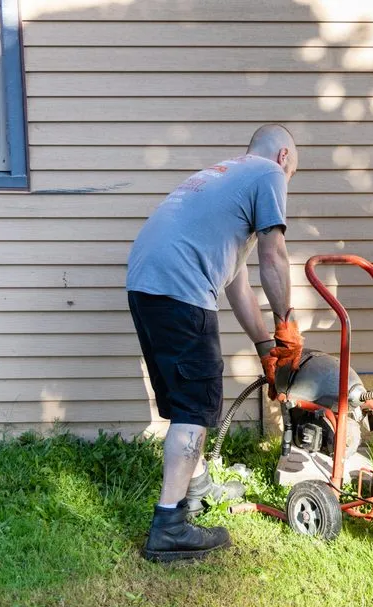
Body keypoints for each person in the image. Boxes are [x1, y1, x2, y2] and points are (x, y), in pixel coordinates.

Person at [125, 124, 305, 562]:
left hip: (146, 286)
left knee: (185, 401)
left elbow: (237, 286)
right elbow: (274, 255)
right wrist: (286, 322)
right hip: (180, 289)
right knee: (196, 405)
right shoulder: (268, 174)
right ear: (283, 157)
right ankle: (168, 526)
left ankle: (198, 488)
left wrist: (265, 345)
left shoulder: (223, 179)